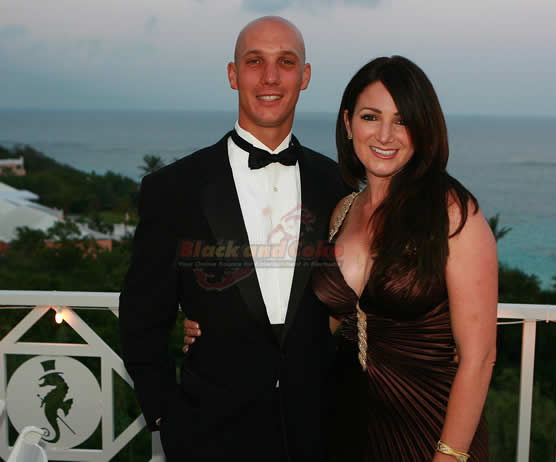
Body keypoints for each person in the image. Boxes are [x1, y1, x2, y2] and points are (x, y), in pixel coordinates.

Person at [184, 55, 498, 461]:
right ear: (349, 124)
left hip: (430, 428)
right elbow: (314, 326)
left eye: (402, 121)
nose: (385, 135)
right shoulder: (343, 211)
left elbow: (479, 357)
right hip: (342, 424)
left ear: (423, 129)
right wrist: (219, 325)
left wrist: (449, 455)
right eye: (371, 117)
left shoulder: (453, 213)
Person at [119, 16, 347, 462]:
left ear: (304, 76)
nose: (270, 77)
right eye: (254, 61)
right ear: (232, 74)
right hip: (209, 436)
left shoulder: (337, 185)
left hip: (318, 432)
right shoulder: (175, 188)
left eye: (286, 62)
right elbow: (141, 317)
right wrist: (166, 417)